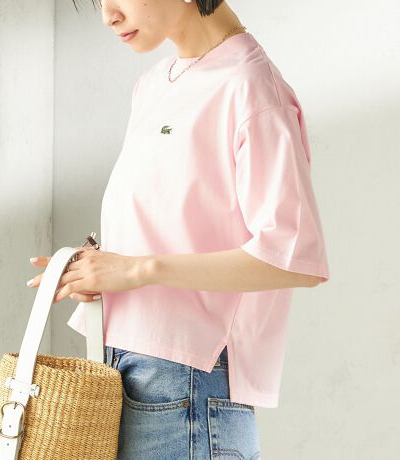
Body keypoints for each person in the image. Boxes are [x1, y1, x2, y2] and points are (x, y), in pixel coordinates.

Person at [28, 1, 331, 458]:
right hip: (121, 366)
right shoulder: (155, 83)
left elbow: (294, 257)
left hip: (189, 381)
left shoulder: (250, 87)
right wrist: (99, 269)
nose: (108, 15)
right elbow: (174, 224)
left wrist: (138, 270)